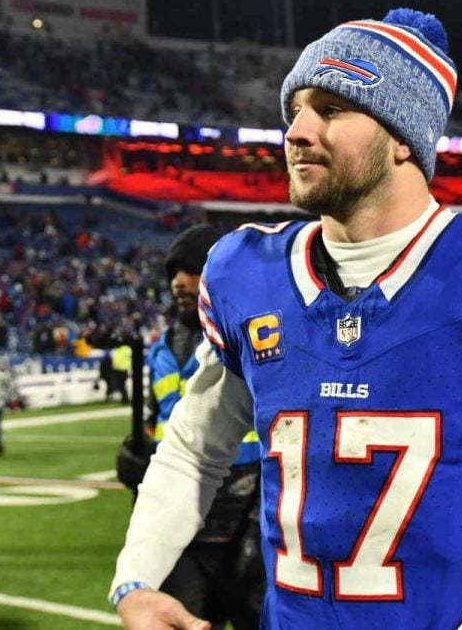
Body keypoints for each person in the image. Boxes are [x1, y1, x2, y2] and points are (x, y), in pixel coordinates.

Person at [110, 8, 462, 629]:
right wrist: (137, 579)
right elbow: (192, 452)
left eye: (332, 109)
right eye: (295, 111)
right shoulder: (246, 273)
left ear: (404, 136)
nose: (296, 131)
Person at [124, 224, 265, 628]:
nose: (178, 282)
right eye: (173, 273)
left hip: (245, 514)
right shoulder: (159, 350)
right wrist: (137, 458)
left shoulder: (255, 338)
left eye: (192, 269)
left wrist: (260, 514)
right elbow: (161, 423)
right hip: (183, 521)